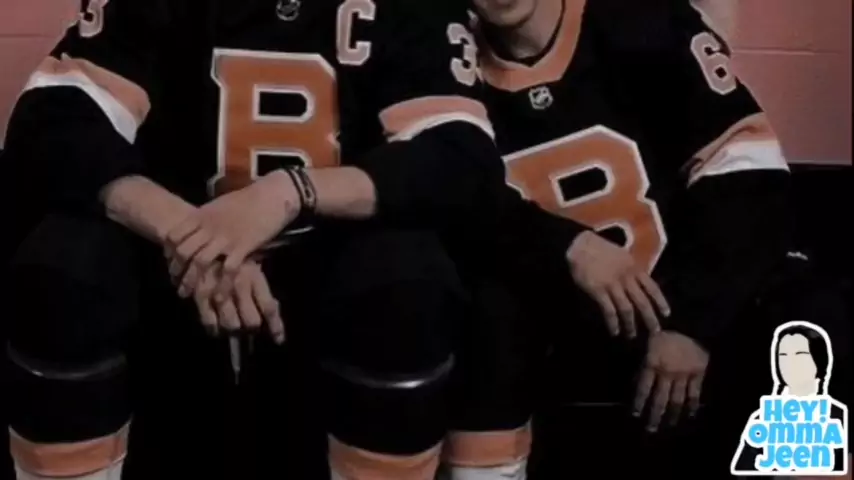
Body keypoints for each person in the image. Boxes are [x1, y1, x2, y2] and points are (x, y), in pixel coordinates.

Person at [0, 0, 595, 478]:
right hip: (174, 268)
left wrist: (289, 193)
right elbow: (51, 122)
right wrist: (193, 234)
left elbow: (457, 160)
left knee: (408, 281)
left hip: (333, 273)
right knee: (66, 266)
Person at [442, 0, 791, 478]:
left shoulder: (643, 25)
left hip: (677, 301)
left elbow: (750, 173)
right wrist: (567, 245)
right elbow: (442, 195)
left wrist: (693, 322)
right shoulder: (441, 58)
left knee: (809, 321)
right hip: (544, 332)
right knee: (481, 315)